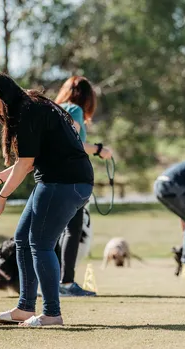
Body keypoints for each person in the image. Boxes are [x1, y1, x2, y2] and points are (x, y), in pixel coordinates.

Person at [0, 72, 94, 327]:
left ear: (4, 95)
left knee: (40, 243)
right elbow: (30, 161)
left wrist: (2, 196)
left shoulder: (28, 111)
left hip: (64, 182)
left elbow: (26, 163)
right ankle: (25, 308)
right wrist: (0, 177)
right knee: (23, 239)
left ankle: (52, 314)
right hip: (63, 180)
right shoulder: (31, 106)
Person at [51, 76, 115, 297]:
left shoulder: (54, 109)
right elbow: (73, 141)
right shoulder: (75, 110)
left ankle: (50, 283)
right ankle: (67, 282)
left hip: (51, 176)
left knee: (54, 231)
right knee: (73, 229)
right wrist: (99, 150)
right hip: (72, 178)